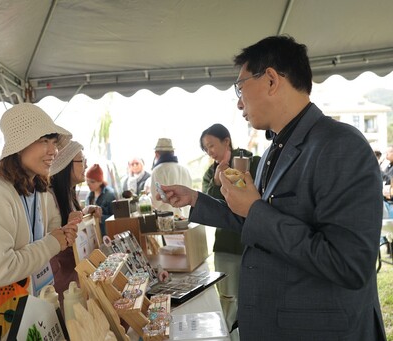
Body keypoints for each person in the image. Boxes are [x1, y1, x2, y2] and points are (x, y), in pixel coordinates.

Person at [157, 36, 386, 340]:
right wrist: (195, 198)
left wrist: (255, 209)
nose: (239, 101)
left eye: (240, 88)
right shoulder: (272, 152)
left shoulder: (340, 145)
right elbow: (254, 220)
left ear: (271, 80)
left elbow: (349, 264)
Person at [0, 103, 80, 341]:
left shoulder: (34, 190)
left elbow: (39, 241)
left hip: (22, 314)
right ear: (19, 145)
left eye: (54, 142)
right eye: (44, 140)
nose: (53, 151)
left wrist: (65, 230)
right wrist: (54, 242)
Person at [199, 123, 260, 329]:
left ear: (226, 141)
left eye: (211, 145)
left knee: (255, 299)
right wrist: (217, 182)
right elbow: (209, 209)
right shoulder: (211, 174)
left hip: (254, 244)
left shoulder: (252, 161)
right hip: (225, 246)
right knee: (227, 299)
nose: (210, 151)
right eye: (206, 149)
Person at [48, 140, 101, 310]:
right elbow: (51, 236)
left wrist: (86, 212)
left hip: (74, 274)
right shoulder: (49, 198)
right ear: (65, 164)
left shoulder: (68, 194)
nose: (86, 165)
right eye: (81, 160)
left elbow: (68, 218)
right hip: (63, 282)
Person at [149, 138, 192, 217]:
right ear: (173, 152)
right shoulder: (184, 169)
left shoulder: (157, 171)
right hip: (187, 219)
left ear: (156, 154)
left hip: (167, 220)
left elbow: (156, 201)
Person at [85, 163, 116, 236]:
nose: (89, 184)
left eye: (92, 182)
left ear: (100, 181)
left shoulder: (110, 195)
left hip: (107, 235)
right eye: (87, 181)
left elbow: (116, 218)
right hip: (94, 235)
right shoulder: (89, 196)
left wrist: (100, 218)